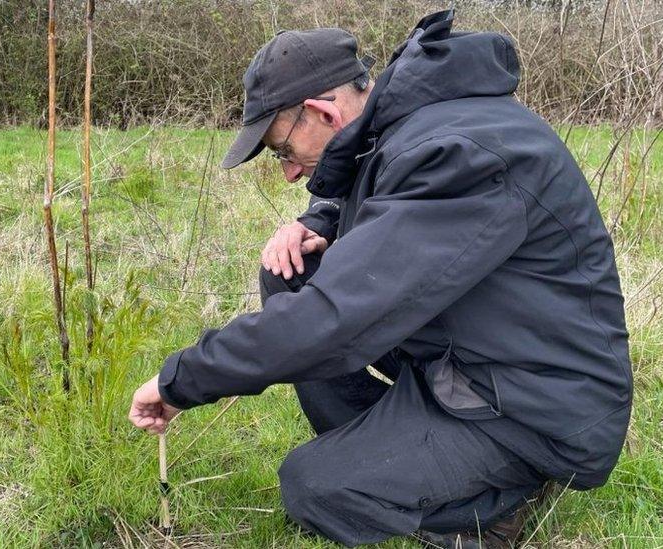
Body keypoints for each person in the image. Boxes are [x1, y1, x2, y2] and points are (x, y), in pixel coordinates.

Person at [128, 10, 632, 548]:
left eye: (283, 151)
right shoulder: (418, 119)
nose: (290, 172)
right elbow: (374, 173)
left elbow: (338, 318)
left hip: (536, 405)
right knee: (290, 272)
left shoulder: (460, 155)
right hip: (480, 359)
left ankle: (491, 503)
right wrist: (318, 220)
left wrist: (185, 380)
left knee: (315, 487)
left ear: (321, 111)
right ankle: (390, 454)